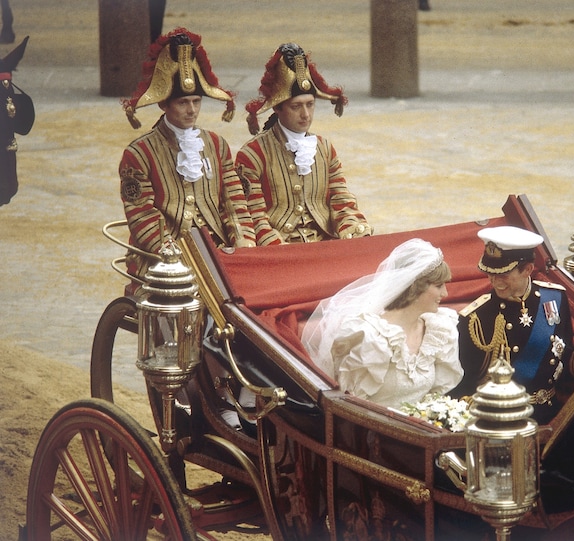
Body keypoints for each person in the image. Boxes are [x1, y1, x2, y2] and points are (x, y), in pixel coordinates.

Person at [119, 28, 255, 281]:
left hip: (218, 251)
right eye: (183, 103)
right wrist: (172, 255)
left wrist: (242, 239)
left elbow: (234, 201)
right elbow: (142, 215)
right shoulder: (139, 153)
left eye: (196, 101)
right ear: (164, 104)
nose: (192, 110)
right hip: (163, 258)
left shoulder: (217, 144)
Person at [451, 226, 574, 424]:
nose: (495, 281)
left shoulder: (555, 298)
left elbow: (559, 360)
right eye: (490, 273)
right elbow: (462, 384)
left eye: (503, 274)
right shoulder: (475, 318)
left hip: (549, 416)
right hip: (500, 421)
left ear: (527, 270)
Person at [237, 43, 372, 245]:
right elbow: (253, 217)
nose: (306, 115)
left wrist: (354, 231)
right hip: (278, 251)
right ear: (278, 109)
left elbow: (341, 202)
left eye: (310, 104)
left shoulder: (325, 149)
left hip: (323, 245)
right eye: (296, 107)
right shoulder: (252, 154)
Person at [302, 239, 463, 407]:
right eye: (438, 286)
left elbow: (437, 395)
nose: (445, 293)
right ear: (415, 286)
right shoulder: (370, 337)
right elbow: (352, 406)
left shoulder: (439, 330)